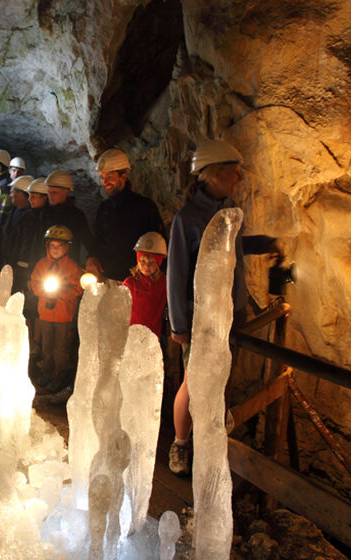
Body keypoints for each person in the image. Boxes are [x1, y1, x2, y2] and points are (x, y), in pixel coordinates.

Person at [166, 139, 278, 475]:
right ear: (211, 175)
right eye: (233, 173)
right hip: (199, 317)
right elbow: (177, 270)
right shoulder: (187, 218)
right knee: (193, 381)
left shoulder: (227, 212)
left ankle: (209, 441)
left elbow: (234, 249)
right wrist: (178, 324)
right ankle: (181, 444)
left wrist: (266, 243)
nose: (239, 179)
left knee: (220, 379)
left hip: (230, 314)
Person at [93, 149, 165, 281]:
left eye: (109, 176)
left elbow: (159, 244)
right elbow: (97, 240)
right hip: (110, 278)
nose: (104, 182)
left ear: (123, 177)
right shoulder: (104, 209)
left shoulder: (144, 207)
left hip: (138, 281)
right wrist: (92, 259)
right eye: (102, 177)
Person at [29, 225, 84, 395]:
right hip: (45, 313)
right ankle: (46, 373)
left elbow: (78, 288)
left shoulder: (72, 267)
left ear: (66, 247)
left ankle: (59, 375)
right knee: (47, 345)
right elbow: (34, 282)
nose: (55, 249)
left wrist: (61, 292)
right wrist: (43, 291)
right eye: (52, 246)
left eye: (59, 246)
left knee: (60, 348)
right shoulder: (42, 264)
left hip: (63, 315)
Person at [40, 170, 99, 268]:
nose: (50, 196)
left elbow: (88, 240)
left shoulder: (76, 215)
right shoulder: (44, 213)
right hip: (46, 267)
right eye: (48, 192)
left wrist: (92, 257)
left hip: (69, 267)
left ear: (66, 192)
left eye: (54, 192)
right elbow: (38, 242)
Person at [123, 232, 168, 337]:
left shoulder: (164, 283)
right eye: (142, 261)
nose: (146, 266)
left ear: (159, 262)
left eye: (152, 262)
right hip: (132, 336)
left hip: (153, 337)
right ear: (137, 261)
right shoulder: (130, 284)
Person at [0, 175, 34, 272]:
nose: (10, 195)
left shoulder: (31, 217)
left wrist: (21, 264)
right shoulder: (13, 211)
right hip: (9, 261)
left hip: (19, 266)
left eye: (12, 192)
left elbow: (27, 243)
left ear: (22, 194)